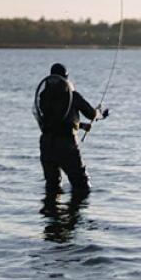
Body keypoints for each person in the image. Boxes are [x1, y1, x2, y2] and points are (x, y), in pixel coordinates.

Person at [33, 63, 109, 197]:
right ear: (66, 78)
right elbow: (91, 114)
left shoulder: (44, 96)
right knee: (81, 185)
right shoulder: (73, 96)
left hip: (46, 144)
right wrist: (100, 114)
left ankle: (51, 215)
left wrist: (81, 125)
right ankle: (75, 215)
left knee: (52, 186)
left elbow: (54, 121)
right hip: (66, 146)